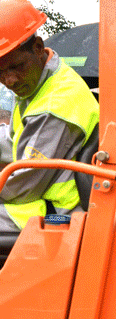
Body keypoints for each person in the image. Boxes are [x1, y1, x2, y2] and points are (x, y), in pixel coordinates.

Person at [0, 0, 99, 235]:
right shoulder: (38, 86)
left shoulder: (56, 105)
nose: (9, 80)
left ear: (37, 47)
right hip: (40, 202)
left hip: (55, 213)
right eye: (0, 72)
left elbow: (23, 186)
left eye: (16, 66)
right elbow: (15, 142)